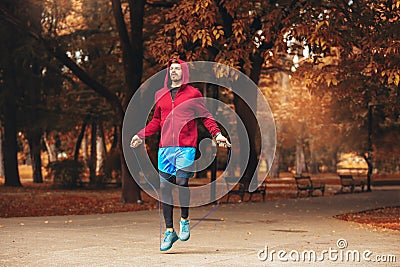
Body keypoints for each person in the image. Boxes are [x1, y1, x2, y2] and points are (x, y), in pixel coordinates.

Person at [130, 58, 229, 251]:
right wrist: (140, 135)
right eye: (171, 69)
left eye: (177, 68)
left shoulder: (193, 93)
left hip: (186, 147)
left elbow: (206, 117)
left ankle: (184, 219)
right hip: (165, 148)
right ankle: (169, 231)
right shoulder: (160, 94)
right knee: (165, 190)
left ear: (184, 72)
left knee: (182, 183)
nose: (174, 71)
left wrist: (217, 134)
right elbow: (156, 121)